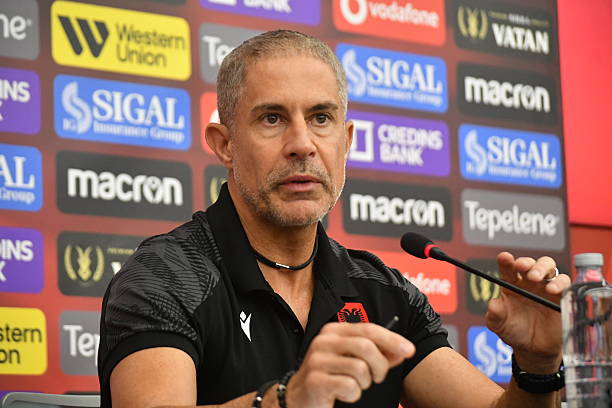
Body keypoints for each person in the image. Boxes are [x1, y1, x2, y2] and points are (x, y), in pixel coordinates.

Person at [98, 30, 570, 408]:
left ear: (346, 141)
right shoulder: (164, 277)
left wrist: (537, 365)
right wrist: (289, 398)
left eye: (321, 118)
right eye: (272, 118)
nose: (302, 144)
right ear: (224, 145)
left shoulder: (383, 292)